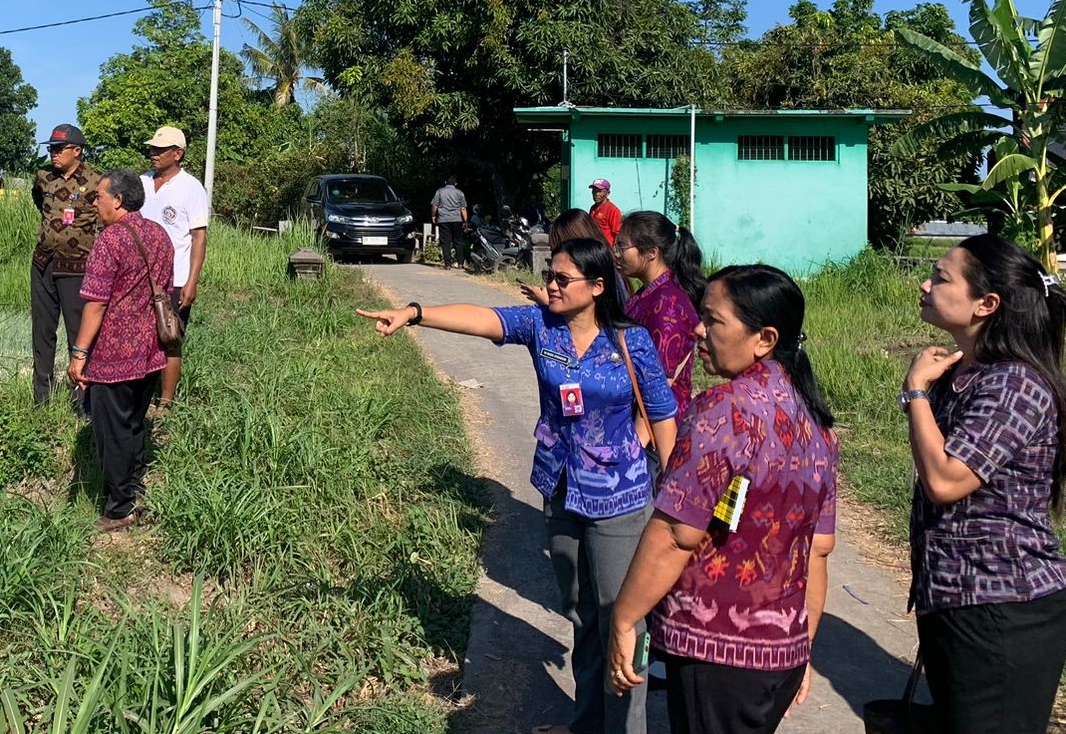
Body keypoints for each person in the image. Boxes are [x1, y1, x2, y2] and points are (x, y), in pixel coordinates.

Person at [359, 238, 677, 734]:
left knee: (621, 623)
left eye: (562, 278)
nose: (551, 285)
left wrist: (674, 503)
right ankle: (586, 725)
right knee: (581, 616)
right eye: (550, 275)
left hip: (620, 498)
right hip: (561, 490)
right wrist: (415, 313)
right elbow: (483, 318)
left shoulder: (630, 341)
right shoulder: (541, 326)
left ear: (597, 287)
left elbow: (662, 417)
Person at [607, 265, 839, 734]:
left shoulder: (725, 411)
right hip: (782, 653)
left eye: (713, 320)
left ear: (764, 339)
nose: (697, 329)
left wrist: (625, 618)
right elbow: (818, 549)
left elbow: (677, 533)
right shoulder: (817, 424)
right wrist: (802, 646)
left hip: (717, 653)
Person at [902, 234, 1066, 734]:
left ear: (987, 304)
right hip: (958, 597)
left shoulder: (1014, 384)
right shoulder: (965, 375)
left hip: (1003, 607)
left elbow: (944, 480)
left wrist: (915, 392)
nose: (925, 284)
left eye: (940, 277)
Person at [66, 169, 172, 532]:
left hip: (114, 354)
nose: (94, 203)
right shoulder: (159, 234)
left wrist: (79, 353)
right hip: (152, 351)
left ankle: (119, 508)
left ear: (119, 200)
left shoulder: (109, 240)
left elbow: (96, 303)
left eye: (99, 196)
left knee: (112, 432)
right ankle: (136, 492)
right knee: (134, 424)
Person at [29, 123, 101, 410]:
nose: (54, 154)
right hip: (43, 264)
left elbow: (106, 218)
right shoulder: (43, 177)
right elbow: (39, 202)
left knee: (78, 335)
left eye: (59, 149)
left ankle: (81, 401)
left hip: (77, 270)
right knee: (42, 332)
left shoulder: (95, 182)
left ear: (77, 151)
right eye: (51, 149)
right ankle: (41, 398)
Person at [139, 125, 209, 410]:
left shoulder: (191, 188)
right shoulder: (142, 183)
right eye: (152, 149)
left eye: (160, 150)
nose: (153, 154)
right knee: (140, 337)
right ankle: (140, 398)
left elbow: (198, 237)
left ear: (177, 153)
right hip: (139, 277)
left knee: (169, 338)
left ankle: (165, 403)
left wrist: (192, 281)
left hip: (174, 279)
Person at [617, 211, 705, 420]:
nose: (616, 254)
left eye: (622, 247)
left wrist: (637, 438)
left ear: (651, 253)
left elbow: (658, 384)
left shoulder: (667, 304)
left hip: (656, 425)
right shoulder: (650, 293)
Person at [430, 174, 470, 271]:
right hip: (457, 219)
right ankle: (460, 263)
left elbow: (435, 205)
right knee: (458, 241)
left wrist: (434, 216)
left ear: (445, 182)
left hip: (444, 220)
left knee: (445, 242)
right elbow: (463, 208)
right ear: (455, 184)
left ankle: (447, 264)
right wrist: (465, 221)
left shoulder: (440, 192)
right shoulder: (460, 193)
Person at [589, 179, 622, 246]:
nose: (596, 194)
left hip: (606, 248)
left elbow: (618, 233)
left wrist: (615, 249)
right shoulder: (593, 208)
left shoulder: (613, 210)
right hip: (594, 247)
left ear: (608, 193)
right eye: (594, 191)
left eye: (600, 191)